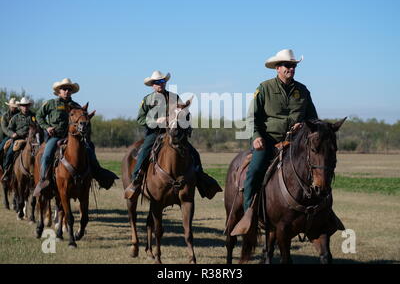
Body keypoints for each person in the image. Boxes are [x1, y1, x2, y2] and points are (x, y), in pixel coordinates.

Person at [231, 49, 318, 235]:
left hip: (296, 145)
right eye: (287, 65)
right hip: (268, 141)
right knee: (254, 171)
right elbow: (251, 117)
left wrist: (303, 125)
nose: (291, 68)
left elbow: (313, 120)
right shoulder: (264, 88)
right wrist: (256, 137)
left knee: (319, 169)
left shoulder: (303, 91)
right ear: (277, 68)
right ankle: (249, 215)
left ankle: (324, 215)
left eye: (293, 65)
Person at [124, 70, 222, 200]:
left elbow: (184, 112)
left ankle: (201, 180)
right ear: (152, 85)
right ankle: (136, 181)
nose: (160, 84)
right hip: (155, 133)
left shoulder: (174, 97)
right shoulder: (147, 100)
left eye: (162, 81)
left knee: (194, 153)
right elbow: (140, 119)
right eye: (157, 82)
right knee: (144, 152)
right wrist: (155, 121)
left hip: (174, 132)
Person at [33, 78, 118, 196]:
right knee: (47, 154)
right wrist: (47, 127)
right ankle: (43, 181)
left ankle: (98, 174)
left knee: (89, 150)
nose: (67, 91)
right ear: (59, 91)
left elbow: (83, 119)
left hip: (74, 138)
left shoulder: (76, 106)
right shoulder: (51, 104)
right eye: (64, 89)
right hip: (56, 136)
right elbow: (39, 116)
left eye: (69, 89)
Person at [1, 98, 36, 182]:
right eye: (23, 106)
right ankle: (7, 172)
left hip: (31, 140)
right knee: (10, 152)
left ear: (29, 106)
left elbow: (37, 125)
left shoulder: (33, 116)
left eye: (26, 105)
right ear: (20, 107)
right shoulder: (15, 117)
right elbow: (8, 128)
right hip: (18, 139)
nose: (25, 107)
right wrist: (12, 134)